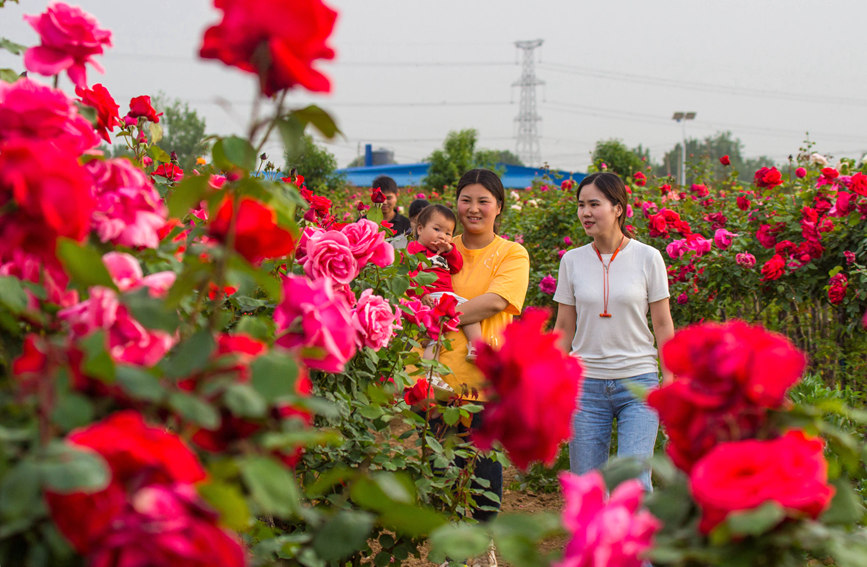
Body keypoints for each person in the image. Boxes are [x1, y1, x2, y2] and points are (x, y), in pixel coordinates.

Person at [553, 171, 674, 492]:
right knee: (586, 486)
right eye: (581, 205)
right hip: (586, 387)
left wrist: (671, 380)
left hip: (639, 385)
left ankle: (634, 543)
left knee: (634, 482)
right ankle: (592, 543)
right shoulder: (572, 261)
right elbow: (563, 327)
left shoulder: (648, 258)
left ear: (618, 208)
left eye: (595, 204)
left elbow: (663, 324)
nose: (585, 213)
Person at [434, 168, 529, 567]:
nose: (473, 208)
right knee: (439, 464)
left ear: (499, 207)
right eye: (466, 200)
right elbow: (414, 290)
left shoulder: (511, 254)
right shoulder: (439, 247)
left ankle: (483, 543)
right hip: (436, 377)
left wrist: (439, 310)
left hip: (484, 380)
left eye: (483, 201)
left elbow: (495, 302)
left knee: (483, 465)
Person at [407, 204, 482, 362]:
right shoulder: (414, 249)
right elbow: (408, 274)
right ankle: (476, 346)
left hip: (444, 297)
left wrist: (449, 250)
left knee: (437, 337)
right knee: (470, 312)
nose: (442, 236)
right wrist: (421, 293)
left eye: (448, 233)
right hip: (434, 295)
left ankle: (430, 372)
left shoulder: (443, 253)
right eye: (437, 229)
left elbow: (457, 266)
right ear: (420, 229)